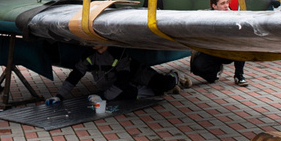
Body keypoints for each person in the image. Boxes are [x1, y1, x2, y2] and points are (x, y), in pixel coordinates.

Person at [46, 45, 190, 105]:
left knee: (164, 84)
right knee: (124, 94)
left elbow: (123, 79)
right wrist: (59, 96)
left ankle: (174, 76)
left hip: (136, 73)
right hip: (123, 84)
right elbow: (75, 75)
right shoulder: (89, 55)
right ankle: (158, 90)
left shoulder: (117, 53)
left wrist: (102, 97)